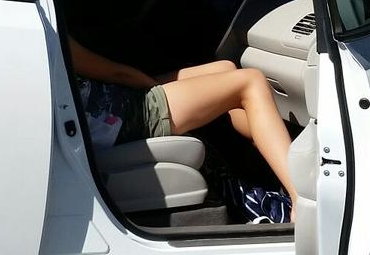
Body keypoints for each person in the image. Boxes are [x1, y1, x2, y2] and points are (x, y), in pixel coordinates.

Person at [67, 37, 297, 221]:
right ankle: (301, 198)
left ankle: (270, 164)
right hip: (126, 118)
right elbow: (117, 73)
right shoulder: (48, 34)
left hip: (113, 107)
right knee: (250, 82)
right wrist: (158, 91)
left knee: (225, 68)